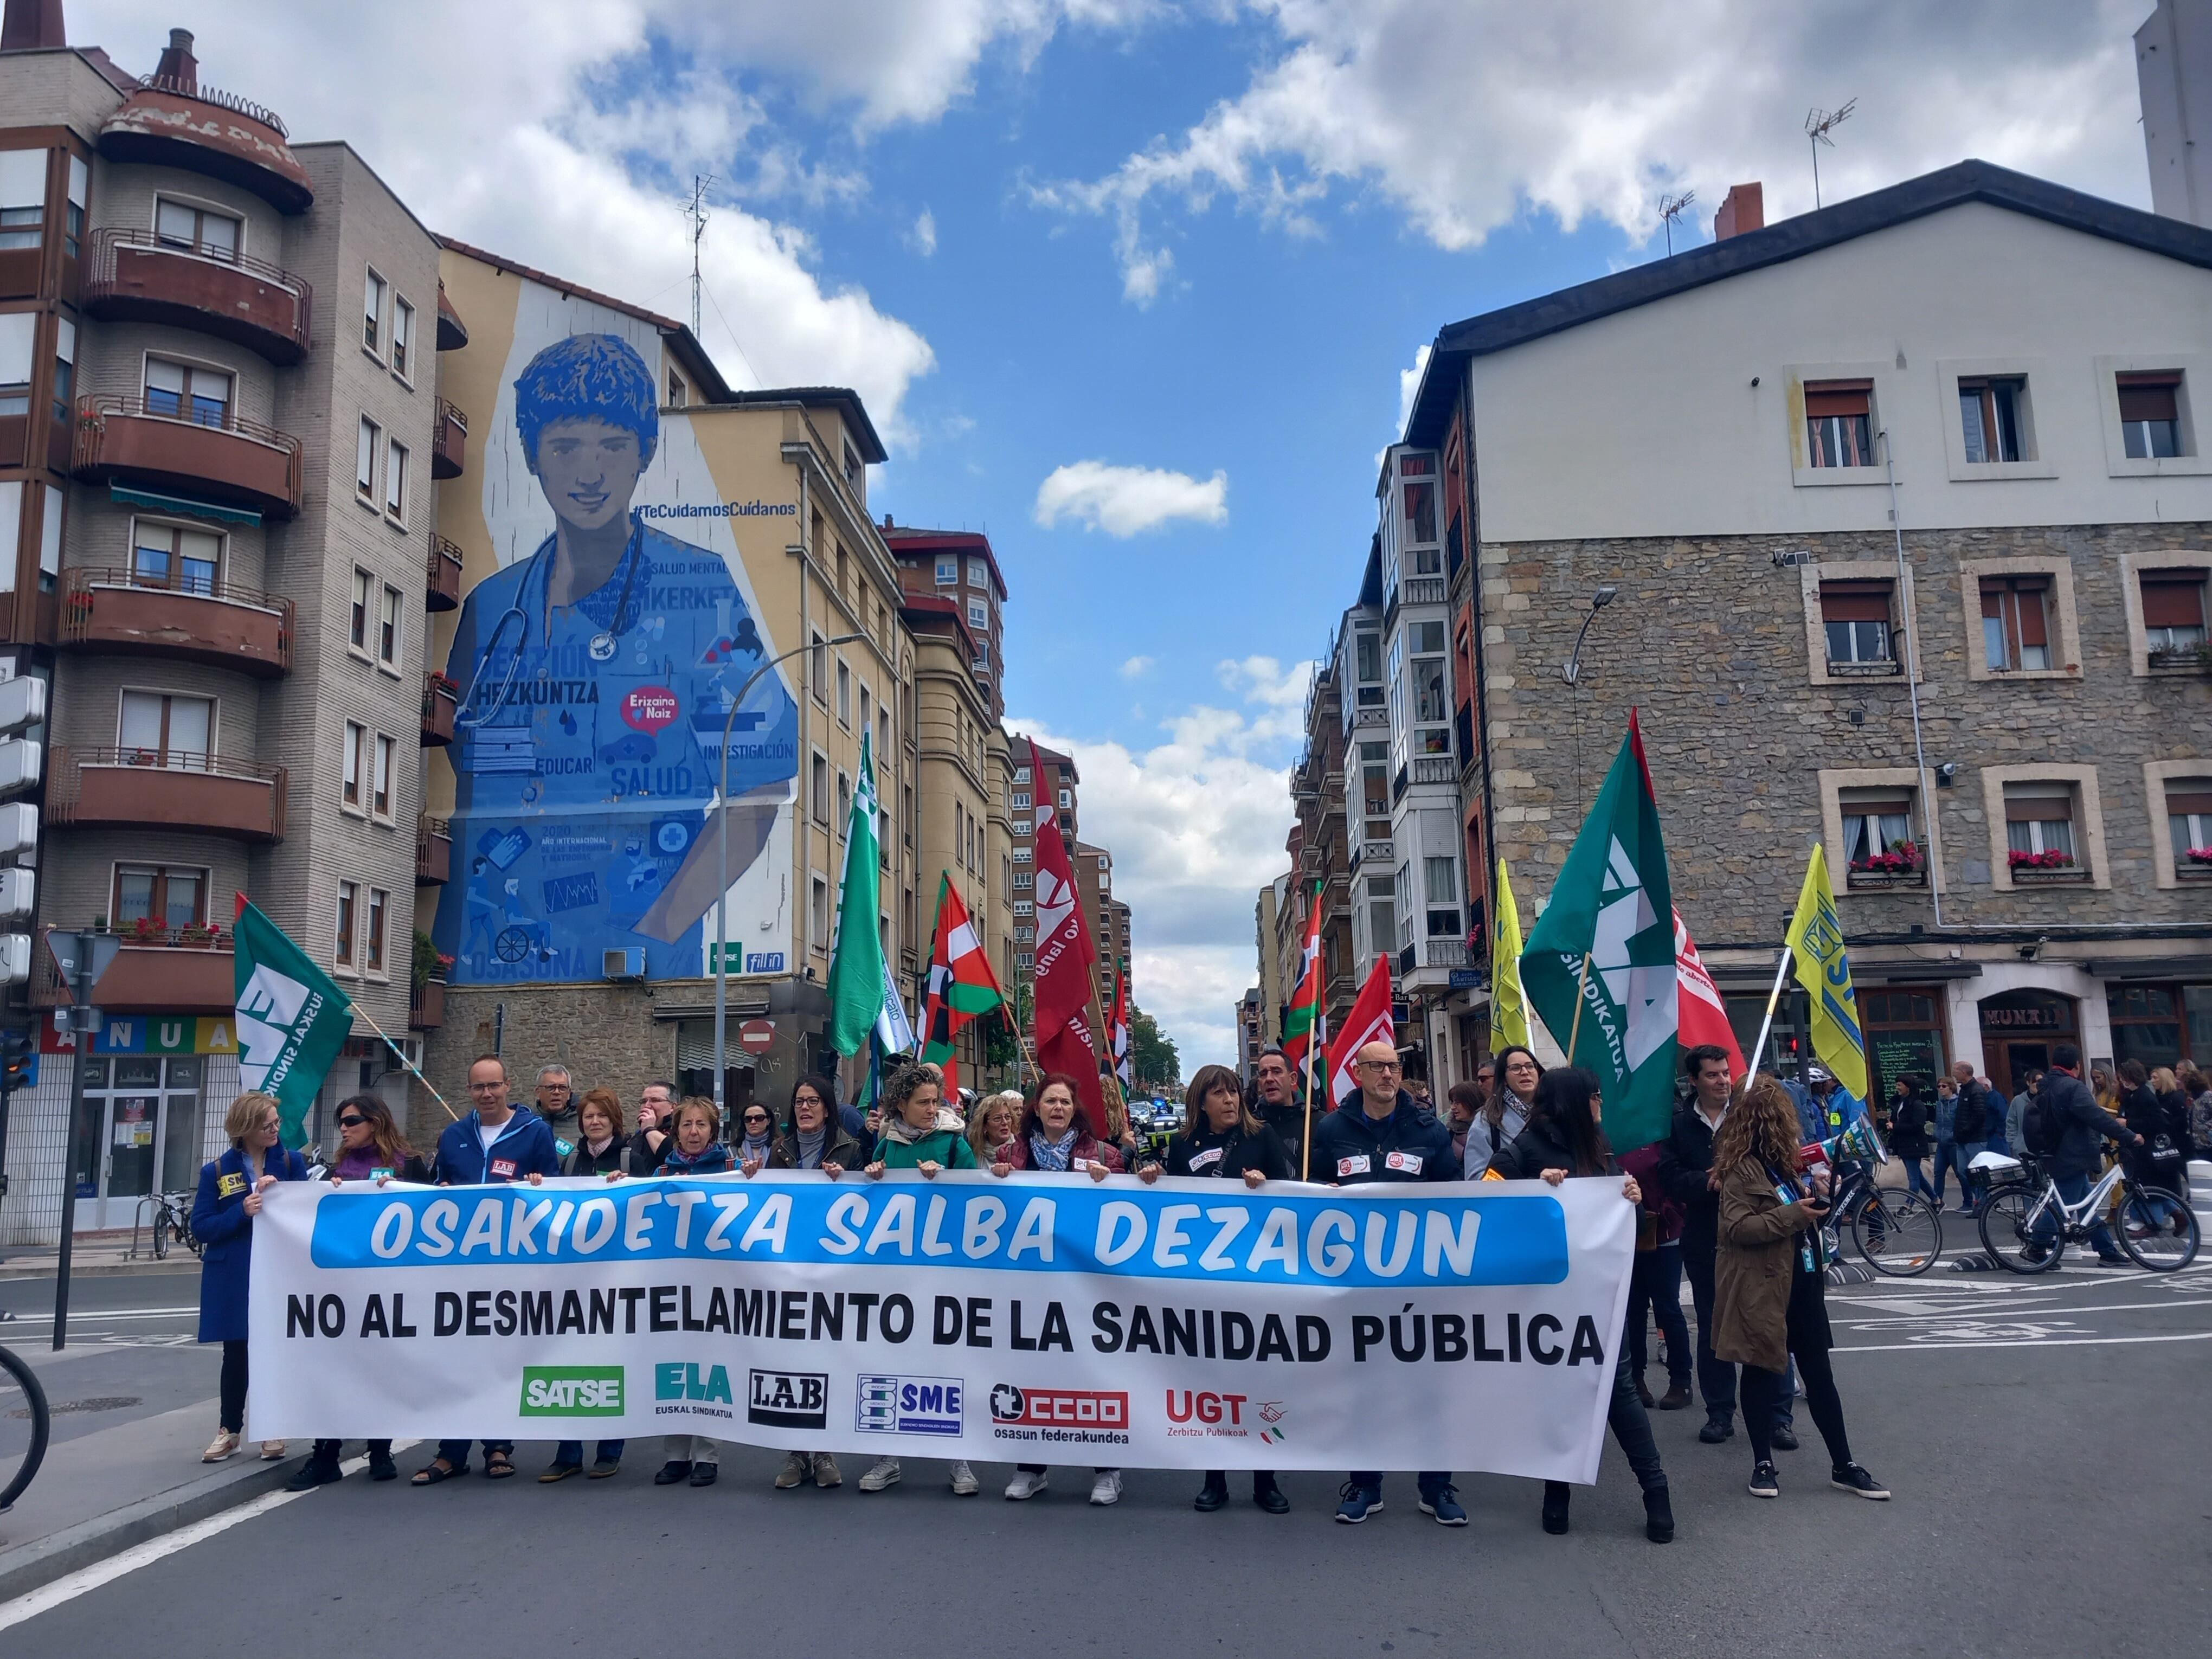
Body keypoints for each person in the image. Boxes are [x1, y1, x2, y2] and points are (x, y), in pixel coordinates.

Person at [431, 332, 799, 985]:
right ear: (532, 455)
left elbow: (760, 784)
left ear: (646, 454)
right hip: (488, 957)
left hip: (636, 965)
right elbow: (458, 766)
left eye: (613, 445)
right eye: (566, 446)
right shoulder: (491, 608)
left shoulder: (698, 588)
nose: (590, 472)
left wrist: (658, 931)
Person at [1491, 1068, 1674, 1542]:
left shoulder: (1600, 1142)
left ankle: (1656, 1491)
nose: (1600, 1104)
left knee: (1620, 1392)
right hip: (1547, 1299)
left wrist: (1631, 1199)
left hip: (1598, 1294)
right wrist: (1533, 1185)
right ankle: (1558, 1492)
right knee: (1562, 1395)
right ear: (1575, 1101)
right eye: (1595, 1096)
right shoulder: (1525, 1148)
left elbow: (1619, 1222)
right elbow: (1485, 1195)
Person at [1711, 1074, 1887, 1502]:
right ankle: (1762, 1464)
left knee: (1819, 1375)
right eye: (1786, 1120)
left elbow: (1804, 1222)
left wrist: (1820, 1205)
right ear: (1769, 1122)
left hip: (1803, 1281)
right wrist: (1795, 1213)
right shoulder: (1741, 1171)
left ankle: (1844, 1464)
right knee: (1759, 1370)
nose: (1793, 1129)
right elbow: (1737, 1228)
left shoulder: (1787, 1168)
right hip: (1764, 1286)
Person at [1313, 1041, 1464, 1526]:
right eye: (1376, 1066)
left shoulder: (1428, 1128)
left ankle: (1436, 1487)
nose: (1387, 1074)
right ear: (1358, 1074)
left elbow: (1454, 1196)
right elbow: (1309, 1197)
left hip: (1418, 1281)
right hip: (1355, 1282)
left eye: (1393, 1066)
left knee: (1428, 1386)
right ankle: (1365, 1484)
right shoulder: (1332, 1129)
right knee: (1363, 1386)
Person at [1138, 1063, 1293, 1514]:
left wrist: (1268, 1186)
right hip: (1204, 1278)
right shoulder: (1183, 1144)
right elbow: (1173, 1204)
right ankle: (1215, 1477)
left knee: (1258, 1377)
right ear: (1200, 1102)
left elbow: (1291, 1193)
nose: (1230, 1101)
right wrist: (1152, 1177)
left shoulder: (1260, 1135)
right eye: (1220, 1095)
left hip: (1256, 1276)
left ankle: (1266, 1479)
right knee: (1211, 1379)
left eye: (1233, 1094)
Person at [416, 1057, 562, 1485]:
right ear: (470, 1091)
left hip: (512, 1267)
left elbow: (554, 1192)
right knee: (459, 1359)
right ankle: (451, 1452)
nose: (487, 1094)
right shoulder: (454, 1136)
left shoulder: (535, 1132)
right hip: (460, 1269)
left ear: (507, 1086)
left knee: (502, 1358)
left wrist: (540, 1185)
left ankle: (499, 1446)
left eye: (494, 1086)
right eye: (479, 1087)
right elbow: (439, 1190)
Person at [991, 1074, 1123, 1503]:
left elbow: (1131, 1205)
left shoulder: (1102, 1154)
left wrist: (1113, 1180)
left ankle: (1107, 1470)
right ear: (1037, 1107)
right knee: (1032, 1374)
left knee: (1093, 1372)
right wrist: (997, 1178)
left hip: (1086, 1286)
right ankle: (1031, 1467)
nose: (1058, 1109)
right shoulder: (1011, 1153)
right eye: (1050, 1101)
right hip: (1031, 1286)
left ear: (1075, 1108)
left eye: (1065, 1102)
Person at [288, 1096, 427, 1489]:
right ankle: (325, 1454)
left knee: (382, 1370)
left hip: (392, 1289)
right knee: (337, 1371)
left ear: (376, 1121)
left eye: (351, 1121)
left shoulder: (409, 1164)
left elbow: (434, 1215)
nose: (344, 1128)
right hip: (345, 1290)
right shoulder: (335, 1172)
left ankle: (381, 1452)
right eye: (340, 1123)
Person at [860, 1063, 982, 1498]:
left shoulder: (953, 1142)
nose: (933, 1109)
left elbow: (978, 1196)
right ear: (901, 1106)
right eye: (923, 1103)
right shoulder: (885, 1143)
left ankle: (960, 1460)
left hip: (946, 1271)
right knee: (891, 1364)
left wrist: (945, 1179)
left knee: (949, 1361)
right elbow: (865, 1200)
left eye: (936, 1101)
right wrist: (871, 1176)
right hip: (896, 1275)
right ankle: (887, 1458)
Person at [1655, 1044, 1779, 1448]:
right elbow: (1669, 1175)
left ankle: (1778, 1416)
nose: (1723, 1080)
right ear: (1693, 1080)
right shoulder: (1678, 1124)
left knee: (1766, 1321)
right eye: (1712, 1075)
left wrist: (1741, 1179)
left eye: (1726, 1073)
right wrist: (1702, 1183)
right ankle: (1720, 1412)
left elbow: (1778, 1163)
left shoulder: (1750, 1116)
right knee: (1714, 1325)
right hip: (1705, 1236)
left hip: (1756, 1234)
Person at [194, 1091, 307, 1465]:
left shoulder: (291, 1161)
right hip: (235, 1274)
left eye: (277, 1122)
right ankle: (230, 1430)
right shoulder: (216, 1171)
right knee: (237, 1352)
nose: (276, 1129)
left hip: (279, 1271)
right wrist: (241, 1212)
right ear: (245, 1129)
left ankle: (272, 1426)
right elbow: (201, 1227)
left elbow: (311, 1210)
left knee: (275, 1349)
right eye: (267, 1124)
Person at [645, 1097, 732, 1487]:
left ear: (713, 1131)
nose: (694, 1132)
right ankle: (676, 1454)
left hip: (716, 1284)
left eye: (701, 1125)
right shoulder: (662, 1172)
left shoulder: (731, 1170)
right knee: (673, 1363)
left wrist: (753, 1178)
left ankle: (708, 1456)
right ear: (674, 1131)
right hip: (673, 1283)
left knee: (713, 1367)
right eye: (686, 1126)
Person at [2027, 1045, 2143, 1267]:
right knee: (2063, 1206)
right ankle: (2037, 1246)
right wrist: (2129, 1137)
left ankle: (2107, 1251)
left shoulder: (2048, 1086)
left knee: (2088, 1205)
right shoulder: (2073, 1087)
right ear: (2078, 1066)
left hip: (2054, 1150)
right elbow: (2095, 1118)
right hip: (2071, 1154)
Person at [1618, 1140, 1692, 1413]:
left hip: (1665, 1231)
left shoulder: (1664, 1133)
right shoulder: (1613, 1133)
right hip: (1627, 1234)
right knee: (1633, 1310)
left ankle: (1681, 1380)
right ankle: (1636, 1378)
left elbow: (1677, 1174)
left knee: (1668, 1308)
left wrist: (1671, 1208)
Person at [2121, 1062, 2190, 1232]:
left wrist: (2128, 1123)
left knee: (2148, 1187)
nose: (2122, 1081)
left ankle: (2154, 1224)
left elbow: (2156, 1122)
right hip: (2144, 1147)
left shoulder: (2144, 1096)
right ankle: (2177, 1215)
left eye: (2124, 1077)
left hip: (2147, 1147)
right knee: (2149, 1186)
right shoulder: (2137, 1095)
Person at [1464, 1045, 1539, 1179]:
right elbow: (1476, 1178)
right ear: (1503, 1078)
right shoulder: (1486, 1121)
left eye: (1530, 1066)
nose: (1525, 1072)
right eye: (1516, 1068)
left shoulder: (1555, 1113)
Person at [561, 1089, 647, 1179]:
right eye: (589, 1117)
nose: (595, 1122)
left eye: (602, 1115)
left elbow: (644, 1193)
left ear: (614, 1119)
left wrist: (628, 1183)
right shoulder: (570, 1163)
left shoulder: (631, 1161)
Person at [1248, 1046, 1308, 1174]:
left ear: (1292, 1079)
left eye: (1276, 1072)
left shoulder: (1317, 1122)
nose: (1269, 1079)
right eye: (1263, 1074)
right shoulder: (1249, 1127)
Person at [1948, 1060, 1991, 1214]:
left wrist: (1965, 1130)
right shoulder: (1965, 1090)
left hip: (1975, 1139)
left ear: (1964, 1072)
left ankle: (1983, 1203)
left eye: (1956, 1070)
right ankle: (1979, 1200)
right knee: (1963, 1171)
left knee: (1977, 1173)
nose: (1953, 1074)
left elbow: (1979, 1115)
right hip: (1962, 1139)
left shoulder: (1976, 1090)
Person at [1888, 1076, 1937, 1207]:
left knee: (1913, 1178)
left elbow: (1917, 1126)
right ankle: (1936, 1200)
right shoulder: (1902, 1103)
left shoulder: (1917, 1105)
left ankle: (1908, 1205)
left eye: (1899, 1085)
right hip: (1903, 1144)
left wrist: (1895, 1127)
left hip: (1914, 1145)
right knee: (1918, 1176)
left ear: (1908, 1087)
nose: (1897, 1088)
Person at [1929, 1073, 1960, 1209]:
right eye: (1939, 1087)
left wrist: (1954, 1135)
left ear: (1951, 1088)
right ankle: (1938, 1201)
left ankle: (1969, 1201)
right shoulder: (1939, 1104)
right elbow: (1938, 1122)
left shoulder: (1957, 1103)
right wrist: (1936, 1134)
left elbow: (1959, 1122)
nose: (1941, 1089)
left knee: (1960, 1173)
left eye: (1944, 1086)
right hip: (1941, 1143)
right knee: (1938, 1172)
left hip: (1953, 1142)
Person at [967, 1090, 1021, 1167]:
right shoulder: (974, 1152)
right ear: (984, 1125)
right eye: (997, 1118)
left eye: (1008, 1117)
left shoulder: (1022, 1150)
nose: (1005, 1122)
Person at [533, 1063, 578, 1150]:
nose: (557, 1092)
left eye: (562, 1088)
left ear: (569, 1093)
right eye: (550, 1088)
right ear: (538, 1092)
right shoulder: (526, 1123)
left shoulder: (583, 1124)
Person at [633, 1079, 675, 1169]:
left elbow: (671, 1156)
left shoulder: (680, 1132)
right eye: (644, 1101)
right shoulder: (636, 1137)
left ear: (673, 1107)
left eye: (655, 1100)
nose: (647, 1106)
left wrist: (649, 1129)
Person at [2006, 1070, 2042, 1165]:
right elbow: (2011, 1123)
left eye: (2041, 1081)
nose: (2038, 1084)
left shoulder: (2047, 1098)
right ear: (2028, 1083)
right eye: (2035, 1081)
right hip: (2023, 1150)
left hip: (2044, 1149)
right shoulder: (2018, 1101)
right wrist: (2014, 1143)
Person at [1444, 1080, 1481, 1168]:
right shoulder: (1450, 1133)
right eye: (1452, 1102)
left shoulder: (1490, 1129)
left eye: (1457, 1103)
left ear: (1471, 1101)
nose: (1453, 1107)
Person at [734, 1101, 777, 1172]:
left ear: (769, 1121)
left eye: (759, 1118)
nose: (753, 1122)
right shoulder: (733, 1150)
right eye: (748, 1119)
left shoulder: (780, 1148)